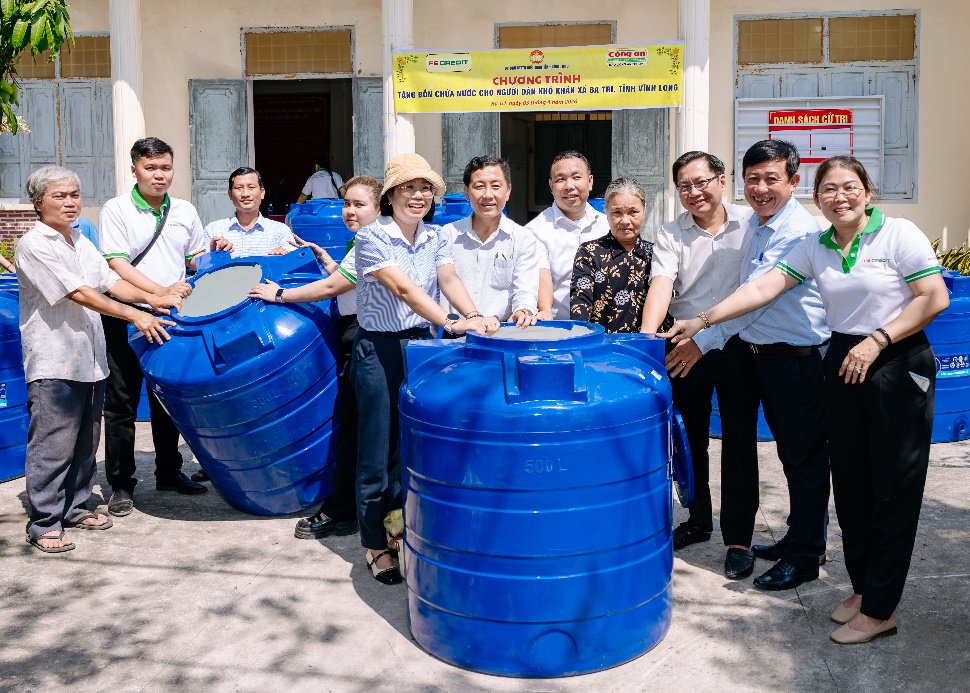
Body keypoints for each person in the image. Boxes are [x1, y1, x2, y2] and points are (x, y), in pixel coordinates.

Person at [663, 155, 949, 643]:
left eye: (849, 187)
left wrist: (878, 340)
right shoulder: (816, 245)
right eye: (829, 190)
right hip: (843, 359)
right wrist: (702, 321)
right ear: (816, 197)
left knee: (891, 488)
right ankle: (863, 588)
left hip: (897, 361)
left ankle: (881, 609)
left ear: (867, 192)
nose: (840, 197)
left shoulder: (898, 234)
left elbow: (933, 297)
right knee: (852, 484)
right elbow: (763, 287)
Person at [15, 166, 179, 552]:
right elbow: (80, 293)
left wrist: (153, 298)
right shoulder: (34, 244)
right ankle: (44, 521)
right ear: (37, 203)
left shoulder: (79, 240)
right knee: (53, 443)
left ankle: (75, 506)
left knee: (85, 442)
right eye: (59, 196)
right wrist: (136, 315)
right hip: (55, 359)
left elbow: (110, 282)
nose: (70, 202)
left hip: (89, 357)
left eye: (74, 195)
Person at [351, 153, 498, 584]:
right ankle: (375, 545)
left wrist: (474, 315)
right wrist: (452, 323)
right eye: (408, 188)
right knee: (377, 453)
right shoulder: (371, 236)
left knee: (411, 448)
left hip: (420, 346)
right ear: (390, 196)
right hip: (379, 349)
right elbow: (404, 289)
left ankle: (400, 530)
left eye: (425, 189)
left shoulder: (434, 236)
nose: (418, 196)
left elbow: (448, 280)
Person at [639, 150, 761, 581]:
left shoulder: (751, 225)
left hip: (737, 343)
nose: (694, 192)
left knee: (739, 443)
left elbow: (754, 294)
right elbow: (661, 285)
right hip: (684, 344)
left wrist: (704, 340)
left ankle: (739, 539)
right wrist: (647, 338)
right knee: (688, 443)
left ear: (722, 181)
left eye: (701, 182)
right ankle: (698, 519)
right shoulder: (671, 232)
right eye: (684, 186)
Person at [98, 137, 232, 517]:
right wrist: (158, 293)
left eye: (166, 168)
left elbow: (193, 259)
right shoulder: (116, 209)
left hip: (171, 316)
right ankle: (121, 484)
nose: (159, 175)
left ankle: (169, 472)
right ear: (134, 170)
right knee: (122, 402)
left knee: (168, 397)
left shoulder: (185, 210)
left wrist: (213, 252)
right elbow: (116, 264)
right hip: (126, 313)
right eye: (151, 168)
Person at [249, 175, 383, 539]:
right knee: (357, 428)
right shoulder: (363, 240)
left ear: (379, 207)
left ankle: (342, 511)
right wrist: (325, 258)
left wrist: (280, 295)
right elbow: (349, 279)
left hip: (362, 333)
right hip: (357, 329)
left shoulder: (372, 241)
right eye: (346, 204)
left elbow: (333, 287)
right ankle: (354, 508)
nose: (350, 211)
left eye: (359, 205)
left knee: (354, 430)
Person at [439, 156, 539, 326]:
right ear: (467, 192)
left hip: (500, 332)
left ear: (508, 191)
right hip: (453, 332)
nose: (487, 195)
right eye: (479, 186)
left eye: (496, 186)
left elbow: (525, 289)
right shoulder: (447, 234)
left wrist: (523, 310)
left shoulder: (523, 239)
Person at [526, 150, 609, 320]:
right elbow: (541, 277)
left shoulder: (608, 226)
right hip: (560, 326)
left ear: (590, 181)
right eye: (560, 179)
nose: (569, 186)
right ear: (551, 186)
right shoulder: (535, 231)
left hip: (607, 325)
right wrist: (545, 312)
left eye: (576, 177)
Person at [570, 177, 654, 332]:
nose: (625, 221)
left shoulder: (657, 254)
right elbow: (580, 303)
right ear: (606, 211)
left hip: (647, 344)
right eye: (617, 212)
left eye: (633, 212)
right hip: (602, 345)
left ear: (644, 210)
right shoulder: (589, 253)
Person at [203, 167, 295, 257]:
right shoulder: (214, 230)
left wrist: (285, 256)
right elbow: (201, 263)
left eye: (251, 187)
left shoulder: (280, 230)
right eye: (239, 188)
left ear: (262, 193)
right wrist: (213, 253)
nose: (245, 194)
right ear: (230, 195)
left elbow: (295, 260)